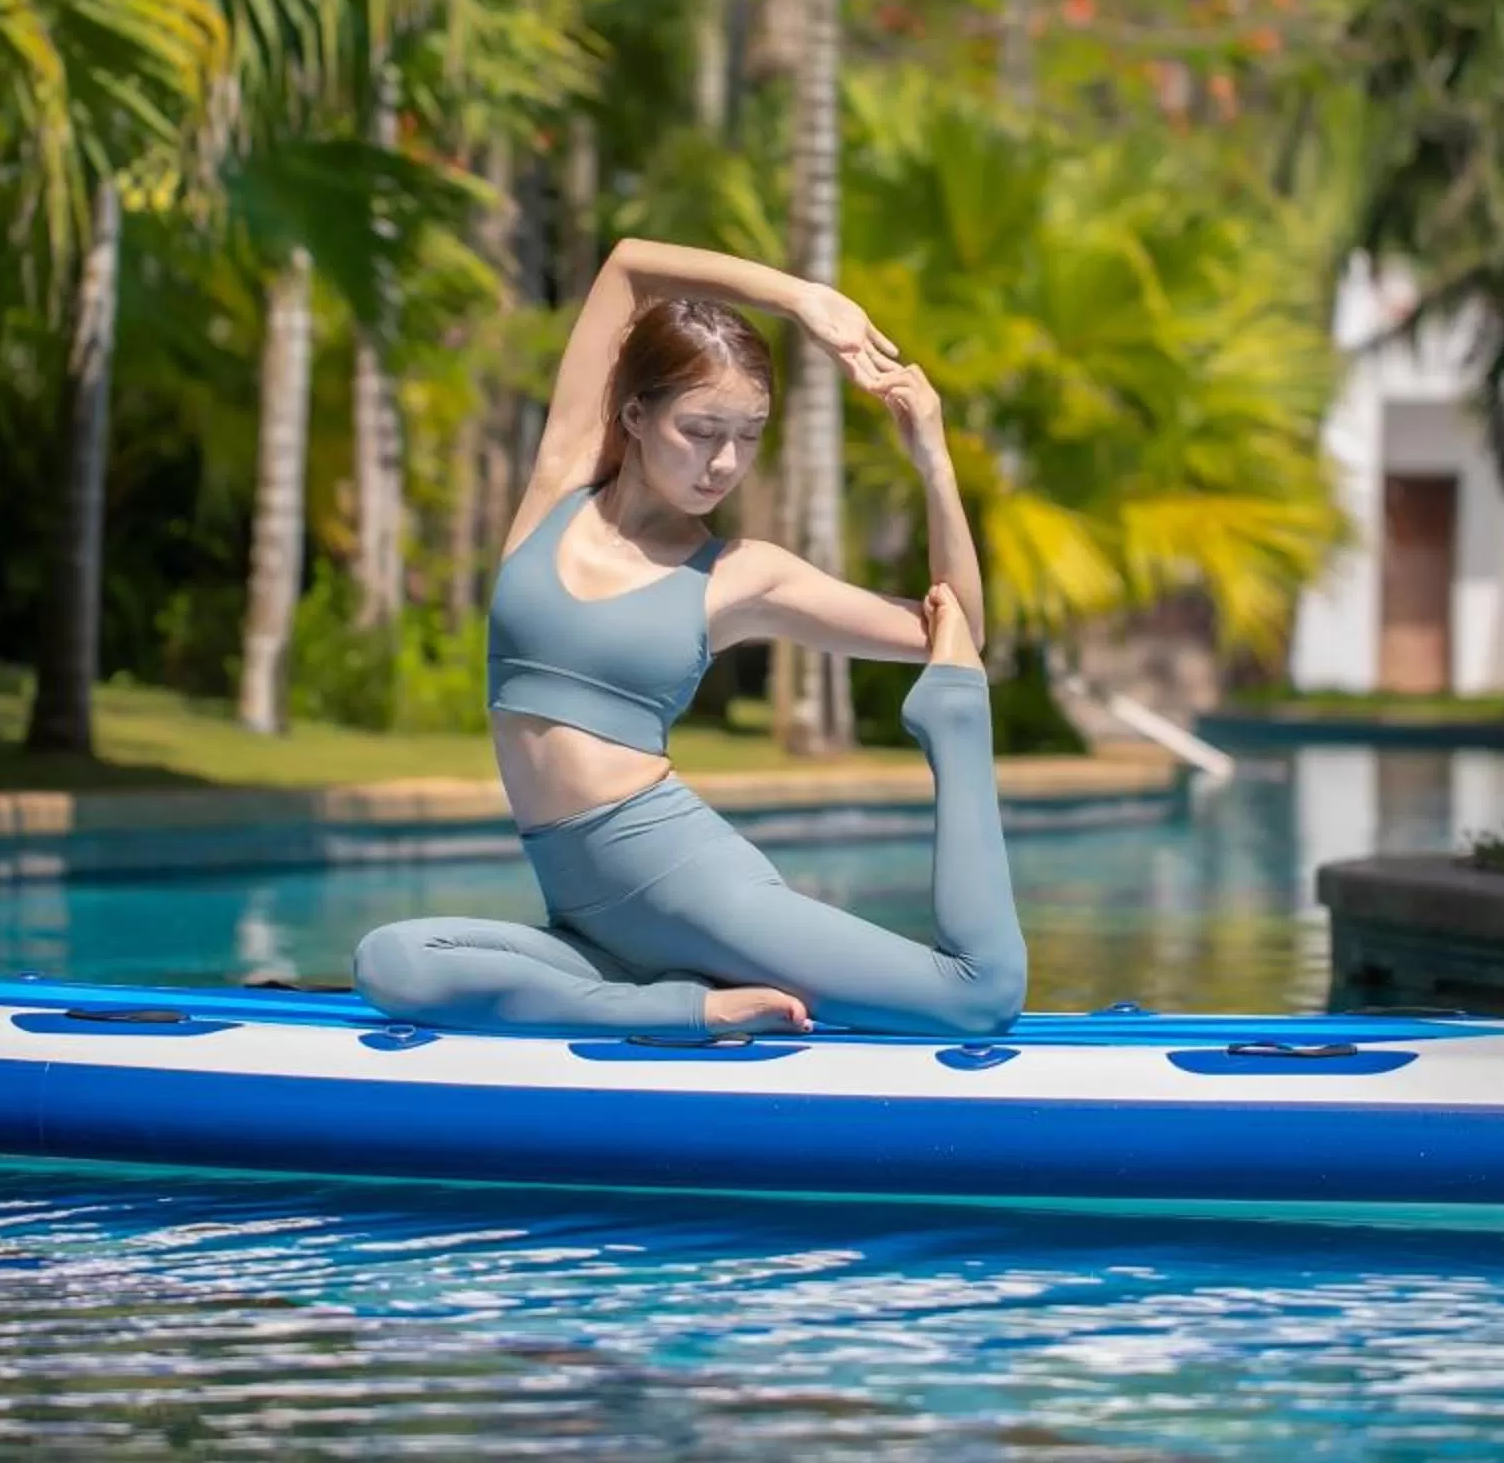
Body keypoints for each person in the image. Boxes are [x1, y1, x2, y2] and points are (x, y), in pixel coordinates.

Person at [350, 238, 1028, 1038]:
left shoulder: (740, 575)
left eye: (749, 435)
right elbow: (631, 266)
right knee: (392, 961)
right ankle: (673, 1002)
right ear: (635, 415)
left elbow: (956, 628)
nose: (725, 462)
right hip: (584, 908)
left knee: (978, 995)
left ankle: (952, 728)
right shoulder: (561, 484)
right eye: (703, 429)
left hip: (688, 884)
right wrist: (803, 299)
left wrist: (933, 463)